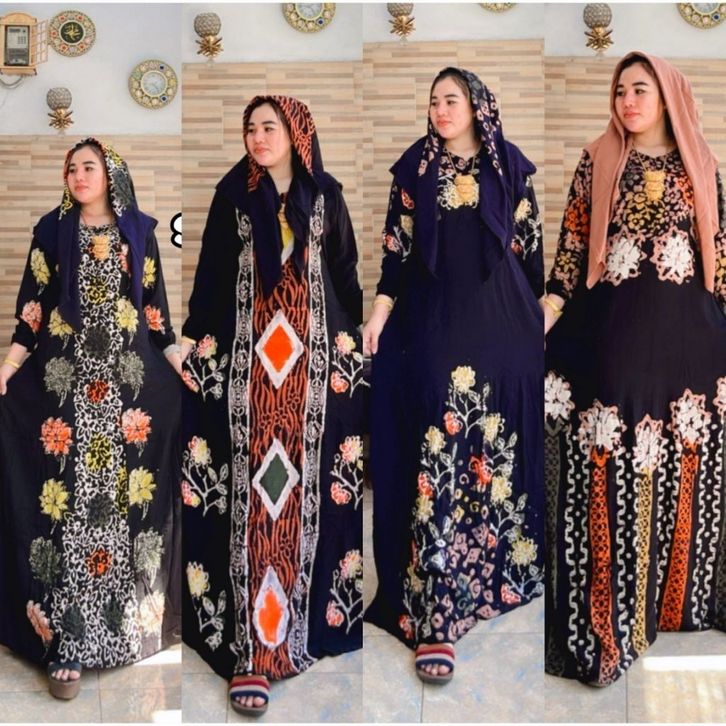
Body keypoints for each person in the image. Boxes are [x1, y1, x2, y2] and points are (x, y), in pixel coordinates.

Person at [543, 52, 726, 687]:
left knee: (686, 455)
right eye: (620, 89)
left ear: (667, 95)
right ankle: (616, 613)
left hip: (690, 343)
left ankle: (681, 603)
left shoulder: (702, 163)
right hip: (617, 334)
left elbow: (719, 251)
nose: (627, 100)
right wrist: (546, 311)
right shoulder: (597, 160)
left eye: (640, 89)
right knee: (616, 455)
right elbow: (572, 248)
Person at [181, 95, 364, 716]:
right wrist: (190, 341)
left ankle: (298, 628)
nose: (258, 137)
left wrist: (354, 344)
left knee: (300, 488)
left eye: (270, 127)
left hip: (309, 370)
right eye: (251, 128)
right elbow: (210, 275)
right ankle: (251, 650)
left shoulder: (326, 195)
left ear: (296, 132)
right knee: (252, 492)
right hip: (246, 369)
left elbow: (344, 274)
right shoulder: (232, 194)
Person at [363, 67, 545, 683]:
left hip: (501, 326)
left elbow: (530, 255)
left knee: (490, 450)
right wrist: (378, 314)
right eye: (434, 100)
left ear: (477, 106)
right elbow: (396, 253)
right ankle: (436, 605)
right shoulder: (414, 169)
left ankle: (489, 571)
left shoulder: (511, 167)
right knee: (438, 440)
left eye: (453, 99)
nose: (441, 110)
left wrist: (538, 321)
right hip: (432, 320)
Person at [0, 138, 181, 699]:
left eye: (89, 166)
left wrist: (180, 363)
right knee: (68, 508)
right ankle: (66, 641)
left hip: (128, 391)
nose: (78, 175)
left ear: (111, 175)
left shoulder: (140, 232)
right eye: (71, 168)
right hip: (65, 390)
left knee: (122, 507)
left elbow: (155, 312)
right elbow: (32, 313)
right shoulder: (50, 232)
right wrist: (7, 368)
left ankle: (122, 631)